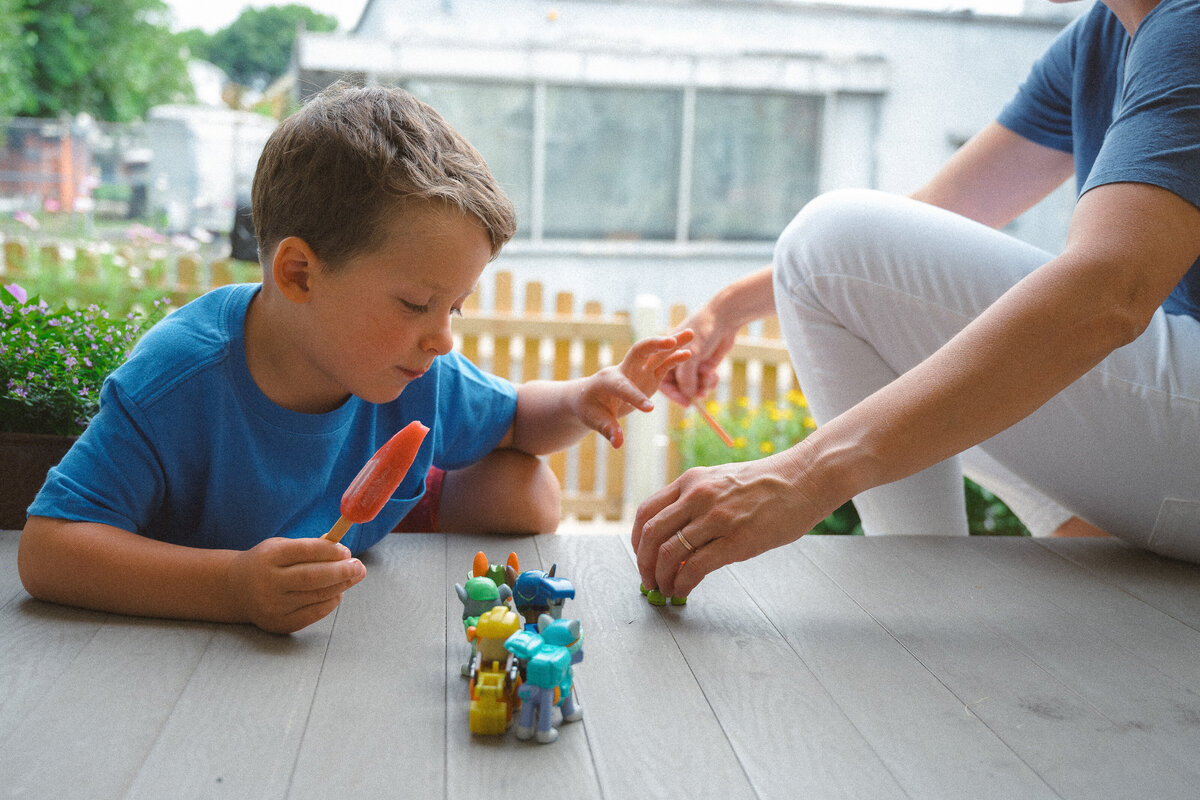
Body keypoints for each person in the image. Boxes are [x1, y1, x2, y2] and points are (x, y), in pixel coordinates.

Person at [18, 83, 692, 634]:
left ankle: (410, 501)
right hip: (212, 567)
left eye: (451, 309)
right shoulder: (180, 377)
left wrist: (579, 401)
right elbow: (48, 549)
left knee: (527, 489)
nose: (441, 339)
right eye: (415, 303)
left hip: (348, 534)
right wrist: (231, 587)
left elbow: (517, 419)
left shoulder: (413, 365)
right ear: (301, 275)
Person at [633, 0, 1200, 601]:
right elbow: (933, 216)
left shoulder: (1185, 24)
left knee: (829, 238)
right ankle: (931, 595)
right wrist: (731, 307)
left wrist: (802, 477)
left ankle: (912, 604)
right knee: (833, 252)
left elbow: (1110, 292)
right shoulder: (1103, 37)